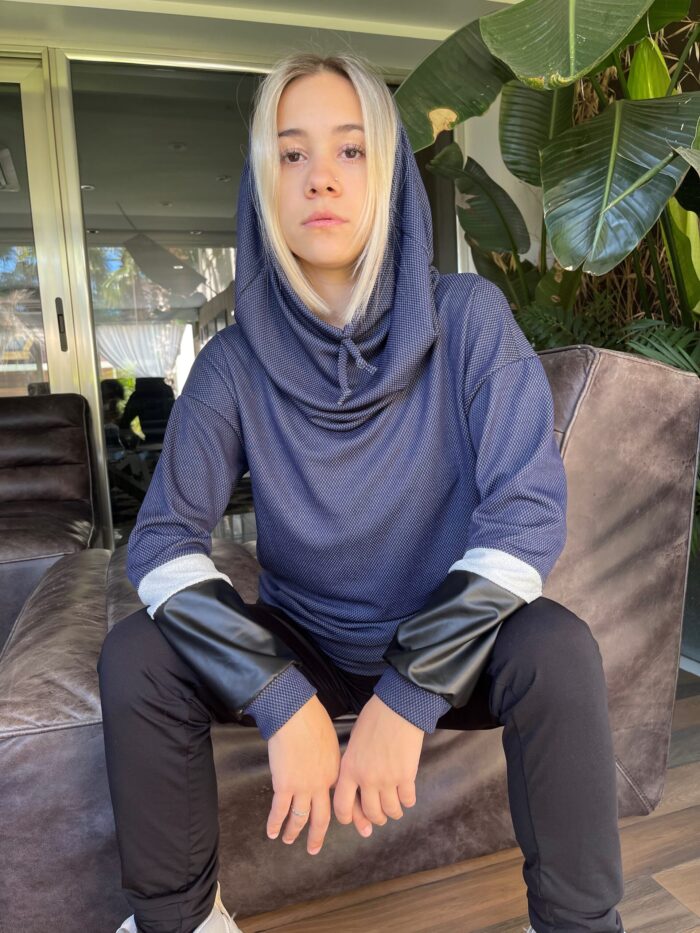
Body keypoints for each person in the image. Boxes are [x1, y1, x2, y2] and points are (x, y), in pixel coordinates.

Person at [97, 51, 627, 933]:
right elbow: (161, 542)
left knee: (558, 647)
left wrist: (413, 688)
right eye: (291, 153)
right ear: (264, 185)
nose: (321, 178)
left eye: (351, 150)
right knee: (136, 655)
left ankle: (578, 923)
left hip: (447, 637)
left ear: (388, 177)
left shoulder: (469, 318)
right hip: (307, 640)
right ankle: (180, 924)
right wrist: (276, 693)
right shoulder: (231, 364)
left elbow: (526, 513)